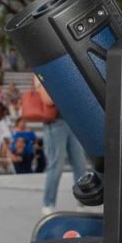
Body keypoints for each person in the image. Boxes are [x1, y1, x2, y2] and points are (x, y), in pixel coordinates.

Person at [33, 75, 88, 215]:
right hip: (55, 123)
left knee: (80, 163)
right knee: (55, 165)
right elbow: (48, 100)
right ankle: (48, 203)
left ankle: (82, 201)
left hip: (73, 122)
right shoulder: (40, 73)